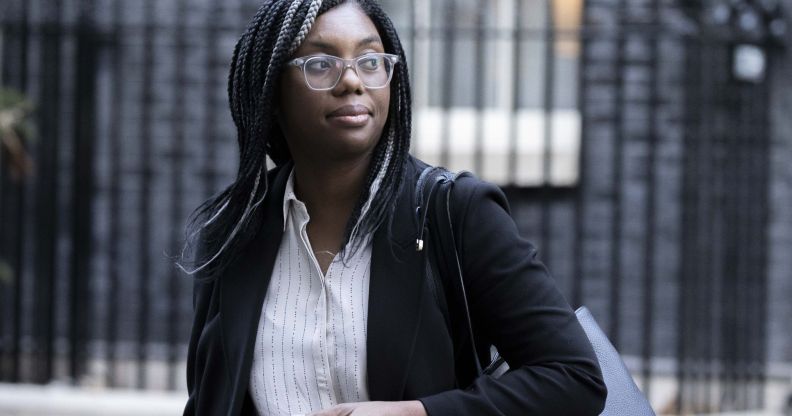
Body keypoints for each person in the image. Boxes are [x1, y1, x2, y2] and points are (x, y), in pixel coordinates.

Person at [181, 0, 607, 415]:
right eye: (321, 63)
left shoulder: (457, 212)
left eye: (370, 61)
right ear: (272, 91)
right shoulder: (233, 233)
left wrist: (416, 413)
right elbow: (210, 396)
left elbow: (573, 378)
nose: (351, 81)